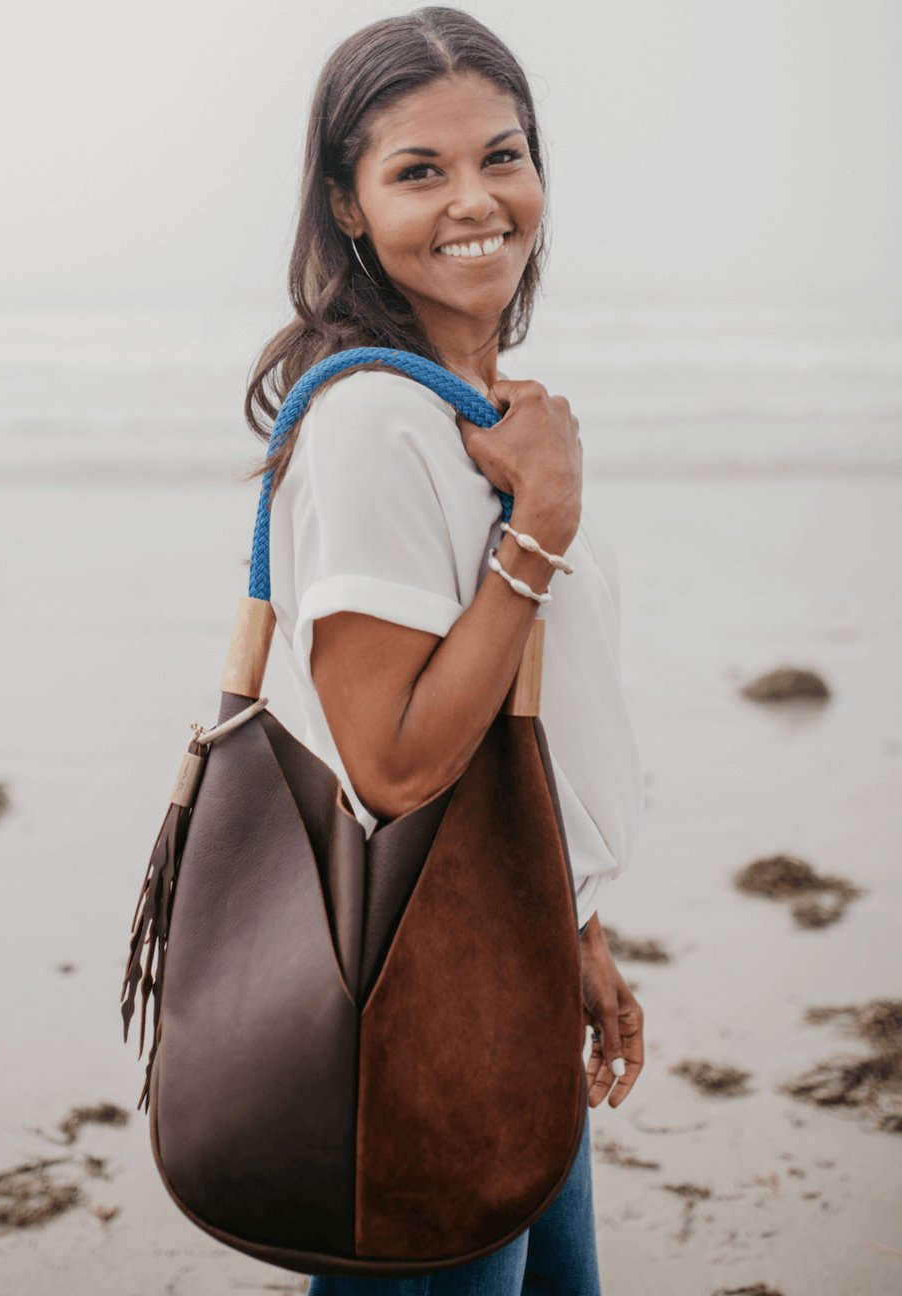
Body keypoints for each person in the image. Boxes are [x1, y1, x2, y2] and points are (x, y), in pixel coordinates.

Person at [242, 8, 646, 1294]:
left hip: (508, 965)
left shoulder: (480, 415)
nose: (477, 200)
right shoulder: (373, 421)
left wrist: (572, 925)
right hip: (425, 1004)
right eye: (419, 170)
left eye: (503, 156)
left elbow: (523, 725)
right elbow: (398, 761)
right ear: (349, 209)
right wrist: (542, 531)